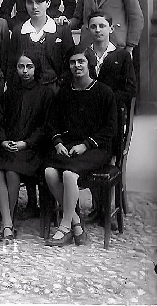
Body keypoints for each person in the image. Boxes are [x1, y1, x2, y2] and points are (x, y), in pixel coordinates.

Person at [44, 45, 117, 246]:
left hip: (96, 149)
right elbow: (52, 123)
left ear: (89, 64)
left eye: (81, 61)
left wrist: (86, 145)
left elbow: (110, 128)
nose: (77, 66)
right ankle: (77, 223)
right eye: (72, 62)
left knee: (69, 174)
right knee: (49, 172)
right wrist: (58, 143)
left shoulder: (104, 92)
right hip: (69, 147)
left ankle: (65, 226)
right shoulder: (64, 93)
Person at [0, 52, 53, 243]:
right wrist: (3, 140)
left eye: (29, 67)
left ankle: (7, 223)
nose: (25, 71)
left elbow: (45, 127)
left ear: (36, 68)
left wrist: (26, 143)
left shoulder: (45, 93)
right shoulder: (10, 92)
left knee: (11, 171)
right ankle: (7, 223)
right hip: (9, 146)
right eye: (21, 67)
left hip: (32, 149)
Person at [84, 11, 136, 227]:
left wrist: (107, 99)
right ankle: (97, 207)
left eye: (102, 26)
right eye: (93, 26)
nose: (98, 30)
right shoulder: (84, 55)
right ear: (88, 29)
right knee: (86, 151)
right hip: (88, 119)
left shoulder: (121, 56)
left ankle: (109, 209)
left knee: (109, 157)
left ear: (110, 29)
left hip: (113, 119)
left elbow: (130, 89)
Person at [8, 0, 74, 92]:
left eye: (39, 2)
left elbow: (69, 62)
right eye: (30, 2)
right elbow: (11, 65)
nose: (34, 7)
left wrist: (60, 87)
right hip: (25, 91)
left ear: (48, 3)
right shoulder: (18, 31)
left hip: (54, 91)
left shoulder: (61, 30)